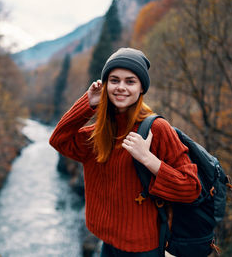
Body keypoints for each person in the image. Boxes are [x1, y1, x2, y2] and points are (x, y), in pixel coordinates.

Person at [49, 48, 201, 257]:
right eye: (114, 80)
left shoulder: (156, 129)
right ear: (105, 85)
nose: (121, 87)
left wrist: (148, 159)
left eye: (130, 81)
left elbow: (191, 187)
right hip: (107, 243)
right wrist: (88, 103)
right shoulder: (99, 133)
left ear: (141, 88)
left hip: (143, 250)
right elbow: (58, 139)